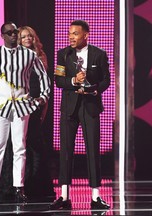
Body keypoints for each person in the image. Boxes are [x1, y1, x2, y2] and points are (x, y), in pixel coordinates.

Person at [0, 21, 51, 204]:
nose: (13, 35)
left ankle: (18, 188)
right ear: (2, 36)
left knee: (20, 147)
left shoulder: (29, 55)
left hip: (21, 106)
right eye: (9, 33)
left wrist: (43, 97)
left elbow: (44, 77)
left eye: (15, 32)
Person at [50, 19, 110, 210]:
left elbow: (106, 80)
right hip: (69, 107)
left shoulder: (99, 55)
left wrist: (93, 90)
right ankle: (64, 195)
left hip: (90, 106)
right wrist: (74, 80)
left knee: (92, 150)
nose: (71, 37)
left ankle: (95, 195)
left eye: (75, 33)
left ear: (86, 35)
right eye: (70, 33)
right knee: (66, 151)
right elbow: (59, 80)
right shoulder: (63, 54)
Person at [18, 26, 54, 200]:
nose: (27, 39)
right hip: (18, 104)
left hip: (35, 104)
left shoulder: (40, 56)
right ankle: (20, 185)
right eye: (23, 36)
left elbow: (44, 86)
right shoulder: (14, 56)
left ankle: (37, 185)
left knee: (36, 145)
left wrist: (43, 107)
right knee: (19, 146)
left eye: (29, 36)